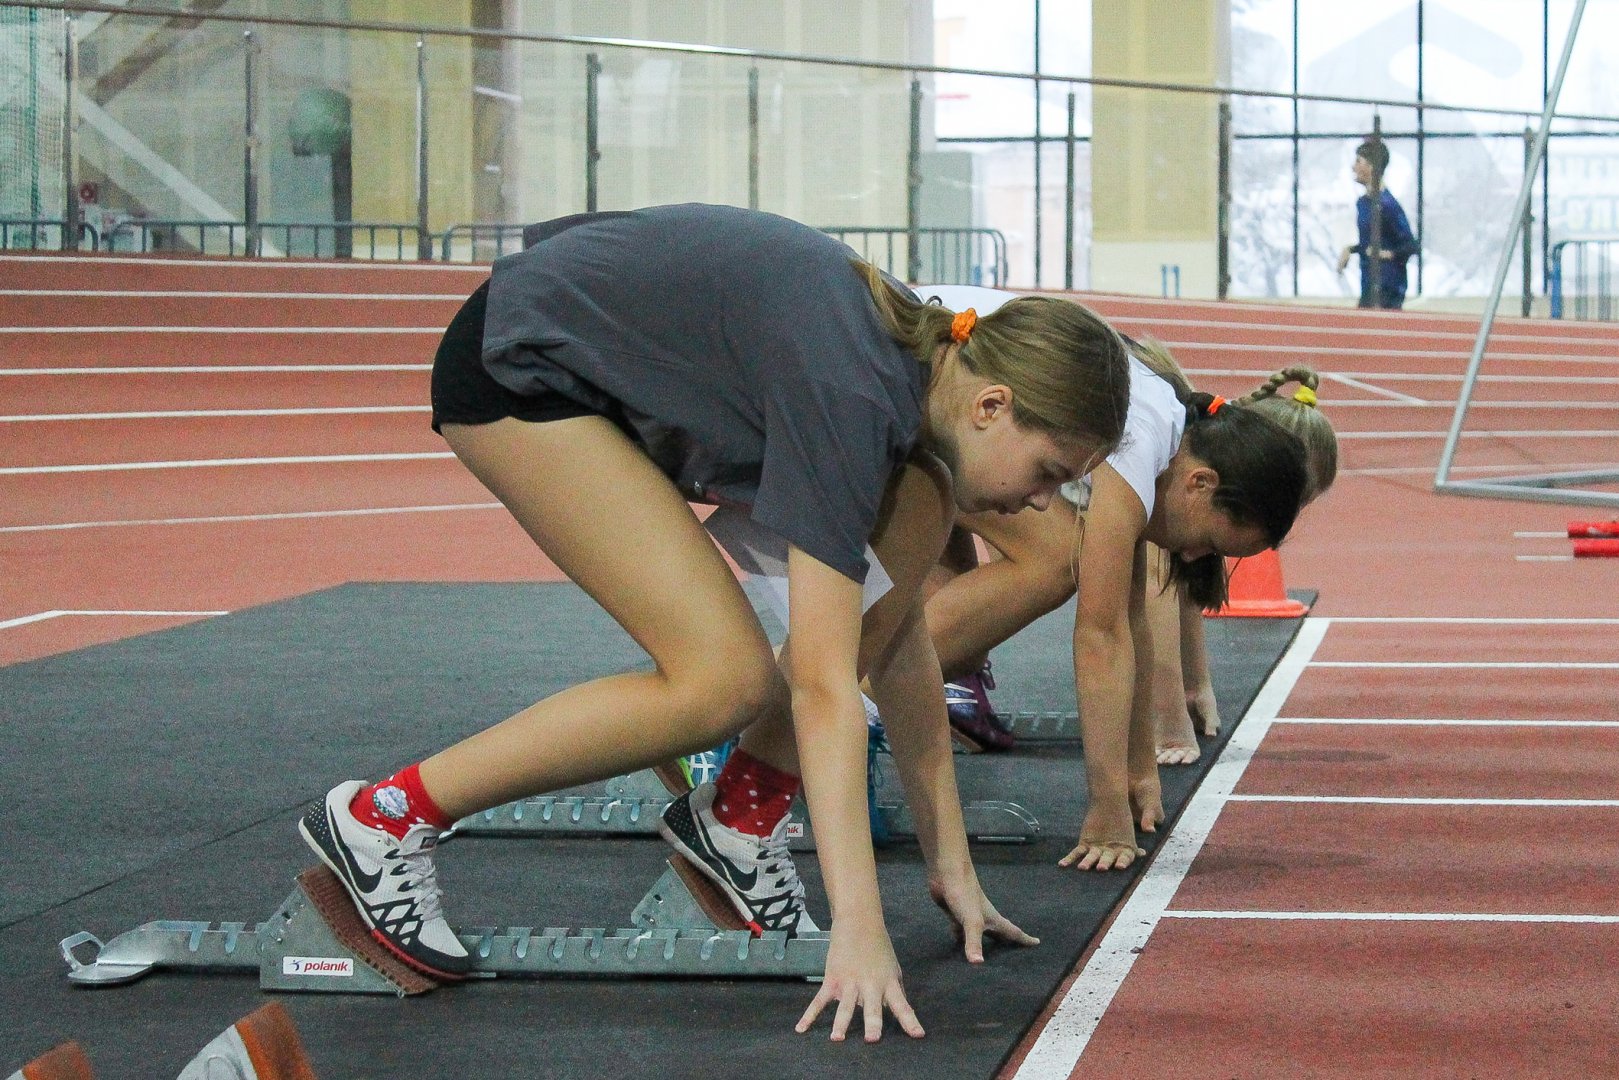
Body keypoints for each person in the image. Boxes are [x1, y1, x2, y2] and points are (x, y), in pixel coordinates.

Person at [296, 204, 1132, 1043]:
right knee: (720, 681)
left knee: (919, 507)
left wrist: (950, 861)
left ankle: (736, 819)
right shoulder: (852, 394)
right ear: (990, 405)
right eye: (1049, 472)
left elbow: (899, 638)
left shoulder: (908, 392)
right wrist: (859, 926)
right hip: (519, 377)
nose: (1039, 502)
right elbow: (823, 687)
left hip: (622, 364)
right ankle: (381, 821)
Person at [917, 284, 1336, 872]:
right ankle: (834, 700)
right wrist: (1106, 804)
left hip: (945, 386)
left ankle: (862, 694)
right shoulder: (1142, 439)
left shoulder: (1162, 421)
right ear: (1201, 484)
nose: (1190, 558)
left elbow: (1131, 618)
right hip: (929, 390)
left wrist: (1139, 768)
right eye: (1208, 545)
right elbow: (1101, 633)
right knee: (1061, 556)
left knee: (973, 612)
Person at [1335, 136, 1418, 310]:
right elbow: (1371, 242)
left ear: (1372, 167)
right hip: (1368, 282)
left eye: (1359, 161)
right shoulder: (1363, 203)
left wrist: (1386, 254)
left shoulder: (1388, 205)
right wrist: (1351, 249)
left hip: (1388, 286)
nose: (1353, 167)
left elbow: (1410, 245)